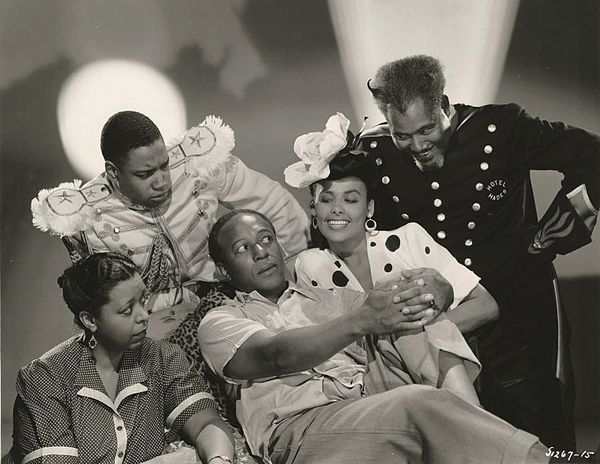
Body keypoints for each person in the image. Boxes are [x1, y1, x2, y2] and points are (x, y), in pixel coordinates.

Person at [359, 54, 600, 448]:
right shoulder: (375, 152)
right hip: (441, 323)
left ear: (445, 106)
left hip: (520, 310)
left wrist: (545, 239)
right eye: (403, 135)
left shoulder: (500, 127)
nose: (417, 146)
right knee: (462, 442)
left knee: (541, 431)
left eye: (427, 129)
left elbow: (593, 155)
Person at [197, 209, 552, 464]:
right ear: (223, 270)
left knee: (411, 315)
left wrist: (435, 290)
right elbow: (274, 355)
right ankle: (538, 460)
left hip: (367, 401)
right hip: (302, 428)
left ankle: (479, 429)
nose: (261, 252)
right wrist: (361, 321)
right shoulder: (220, 321)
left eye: (266, 239)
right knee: (417, 401)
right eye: (243, 248)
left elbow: (397, 306)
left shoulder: (332, 298)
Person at [31, 111, 309, 341]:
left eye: (164, 166)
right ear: (114, 174)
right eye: (145, 174)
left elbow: (275, 205)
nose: (162, 180)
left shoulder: (198, 162)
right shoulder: (86, 219)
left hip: (233, 299)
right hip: (154, 326)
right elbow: (101, 304)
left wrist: (293, 278)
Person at [5, 252, 235, 464]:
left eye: (143, 301)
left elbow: (206, 423)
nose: (144, 316)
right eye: (127, 311)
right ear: (90, 320)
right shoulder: (46, 378)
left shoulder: (163, 358)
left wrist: (218, 459)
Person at [286, 112, 498, 337]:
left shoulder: (409, 239)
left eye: (350, 199)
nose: (337, 209)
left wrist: (417, 340)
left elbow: (485, 305)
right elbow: (319, 342)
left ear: (369, 208)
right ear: (313, 209)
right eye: (327, 200)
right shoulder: (309, 265)